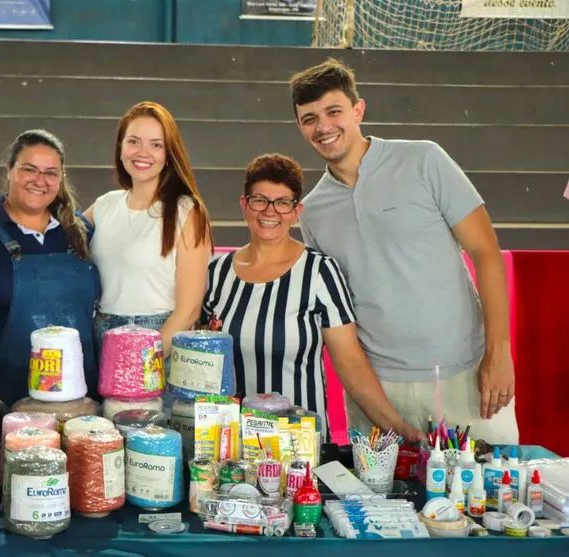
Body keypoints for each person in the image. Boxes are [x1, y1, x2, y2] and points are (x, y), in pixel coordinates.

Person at [290, 59, 518, 444]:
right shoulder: (312, 212)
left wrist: (498, 353)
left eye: (333, 111)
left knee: (491, 500)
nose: (323, 127)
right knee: (381, 505)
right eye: (309, 118)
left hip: (467, 378)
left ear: (358, 109)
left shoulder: (424, 160)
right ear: (300, 127)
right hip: (380, 394)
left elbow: (486, 252)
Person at [202, 153, 423, 441]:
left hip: (300, 447)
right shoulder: (215, 273)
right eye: (259, 200)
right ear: (244, 205)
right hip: (230, 445)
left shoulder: (320, 271)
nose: (270, 212)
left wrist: (398, 427)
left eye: (282, 203)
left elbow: (351, 362)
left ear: (296, 211)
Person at [0, 130, 100, 406]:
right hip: (3, 401)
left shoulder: (81, 231)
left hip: (80, 402)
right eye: (29, 169)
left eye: (51, 173)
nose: (40, 181)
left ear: (61, 178)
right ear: (9, 171)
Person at [84, 101, 212, 354]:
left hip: (158, 340)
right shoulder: (104, 206)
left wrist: (146, 359)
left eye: (156, 145)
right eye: (133, 141)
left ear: (168, 155)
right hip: (103, 336)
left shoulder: (187, 211)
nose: (143, 152)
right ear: (120, 148)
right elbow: (53, 230)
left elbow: (189, 311)